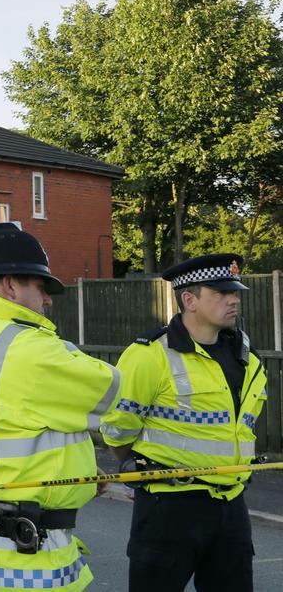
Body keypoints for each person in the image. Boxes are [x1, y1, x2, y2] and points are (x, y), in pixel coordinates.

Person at [0, 223, 120, 591]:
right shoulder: (29, 349)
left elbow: (3, 430)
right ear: (11, 285)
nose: (48, 299)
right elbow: (122, 397)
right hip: (24, 557)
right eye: (41, 286)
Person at [100, 253, 268, 592]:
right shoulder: (150, 356)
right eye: (220, 293)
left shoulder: (247, 358)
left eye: (235, 292)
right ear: (188, 299)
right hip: (169, 508)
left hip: (231, 504)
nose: (233, 299)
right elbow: (118, 433)